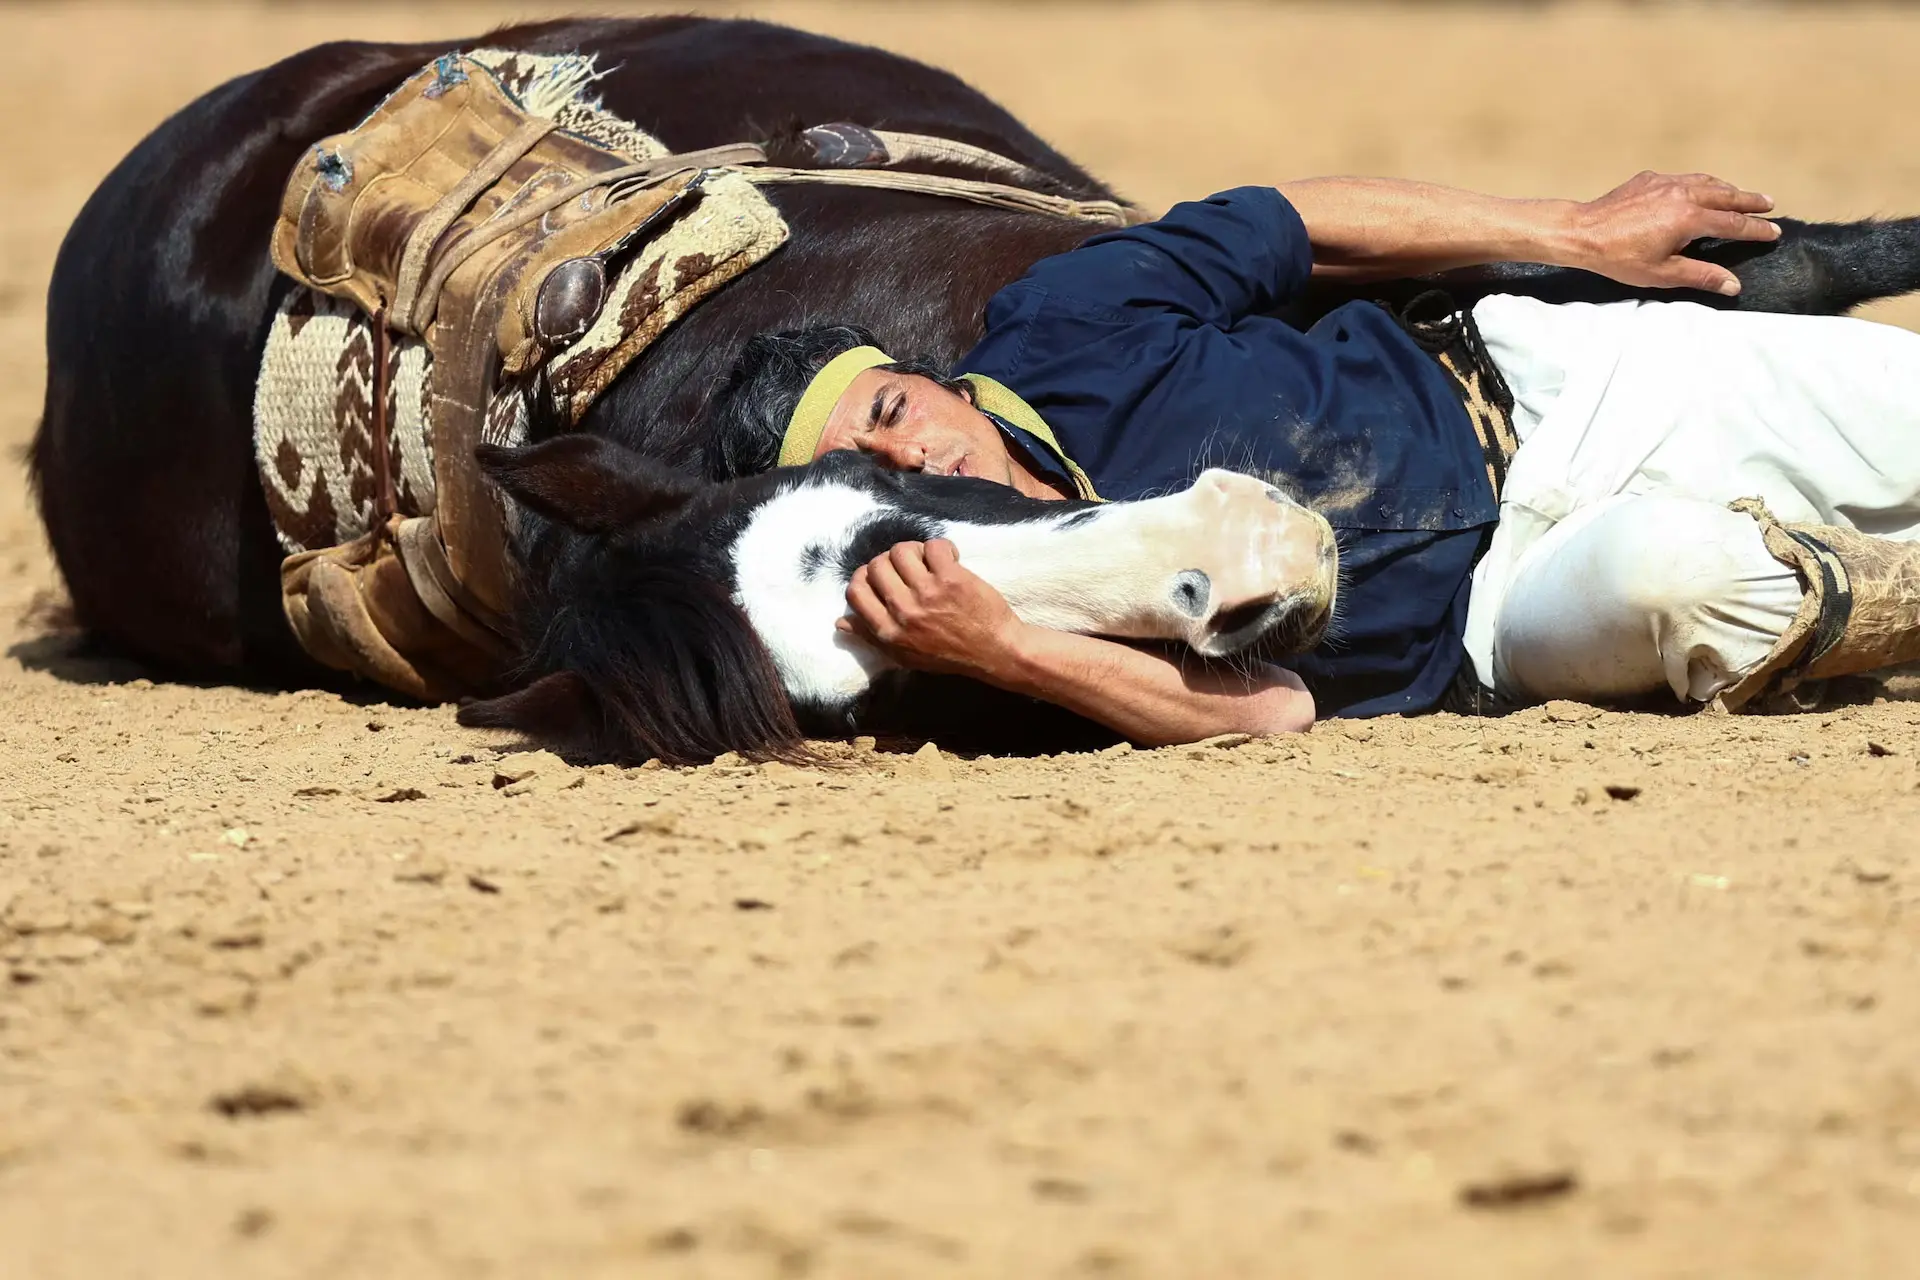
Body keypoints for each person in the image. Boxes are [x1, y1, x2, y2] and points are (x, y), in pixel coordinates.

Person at [699, 172, 1920, 745]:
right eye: (873, 460)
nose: (913, 444)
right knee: (1679, 579)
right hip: (1499, 619)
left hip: (1555, 389)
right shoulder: (976, 630)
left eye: (893, 403)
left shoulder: (1062, 324)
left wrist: (1573, 228)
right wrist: (1015, 648)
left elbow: (1285, 224)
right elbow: (1275, 709)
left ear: (931, 379)